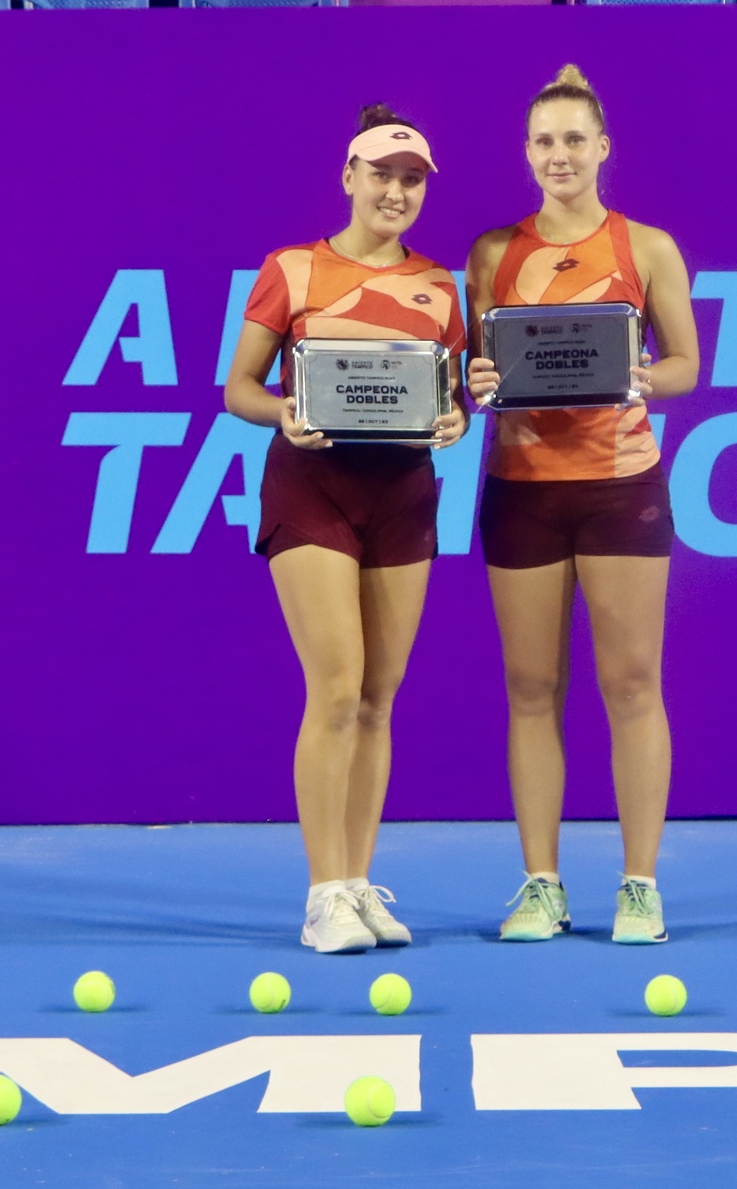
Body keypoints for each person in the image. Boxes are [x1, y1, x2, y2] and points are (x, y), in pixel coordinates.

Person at [223, 105, 468, 955]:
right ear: (350, 177)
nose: (396, 192)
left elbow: (449, 397)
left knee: (376, 700)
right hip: (312, 489)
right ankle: (323, 893)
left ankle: (359, 884)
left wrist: (455, 421)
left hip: (403, 495)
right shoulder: (291, 269)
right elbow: (240, 389)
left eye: (411, 180)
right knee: (335, 688)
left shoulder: (441, 286)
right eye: (382, 175)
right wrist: (283, 414)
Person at [464, 65, 700, 945]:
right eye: (543, 141)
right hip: (521, 490)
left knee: (632, 685)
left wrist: (640, 376)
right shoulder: (492, 253)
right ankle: (541, 886)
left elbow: (685, 365)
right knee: (531, 690)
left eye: (573, 139)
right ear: (526, 154)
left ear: (603, 148)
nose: (558, 155)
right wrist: (475, 382)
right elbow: (478, 368)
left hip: (620, 486)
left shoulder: (649, 248)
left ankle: (639, 887)